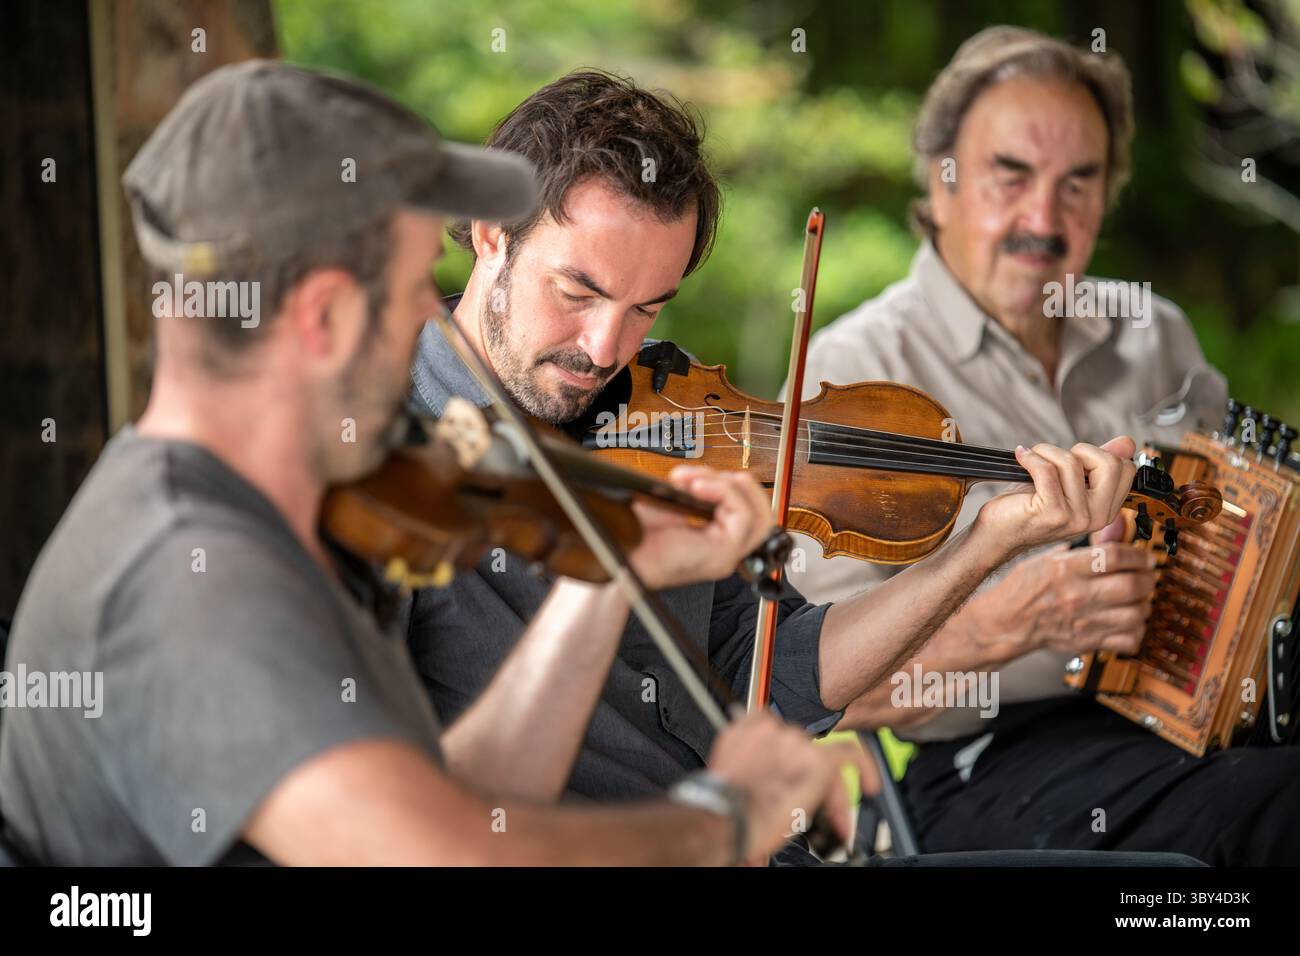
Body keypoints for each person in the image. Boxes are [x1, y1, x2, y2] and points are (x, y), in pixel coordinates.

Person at [0, 60, 856, 867]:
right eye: (416, 283)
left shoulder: (243, 514)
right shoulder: (192, 567)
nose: (431, 315)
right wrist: (723, 819)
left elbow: (452, 803)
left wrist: (604, 583)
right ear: (324, 315)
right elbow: (442, 855)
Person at [404, 70, 1140, 863]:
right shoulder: (379, 464)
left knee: (1172, 885)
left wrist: (986, 545)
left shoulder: (667, 409)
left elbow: (773, 671)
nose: (606, 348)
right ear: (491, 232)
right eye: (578, 292)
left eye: (647, 307)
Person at [793, 26, 1300, 866]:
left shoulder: (1154, 332)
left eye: (1078, 183)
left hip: (1200, 715)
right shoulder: (852, 375)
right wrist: (1010, 622)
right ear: (940, 182)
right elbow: (817, 691)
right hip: (991, 759)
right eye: (1012, 175)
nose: (1044, 219)